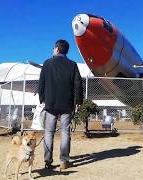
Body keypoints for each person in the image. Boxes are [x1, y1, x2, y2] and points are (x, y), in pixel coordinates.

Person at [38, 39, 83, 170]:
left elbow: (41, 82)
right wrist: (78, 101)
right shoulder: (72, 64)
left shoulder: (47, 63)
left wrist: (42, 98)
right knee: (65, 132)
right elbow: (78, 84)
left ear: (57, 49)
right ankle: (64, 161)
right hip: (67, 103)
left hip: (50, 103)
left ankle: (47, 161)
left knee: (49, 132)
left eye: (54, 48)